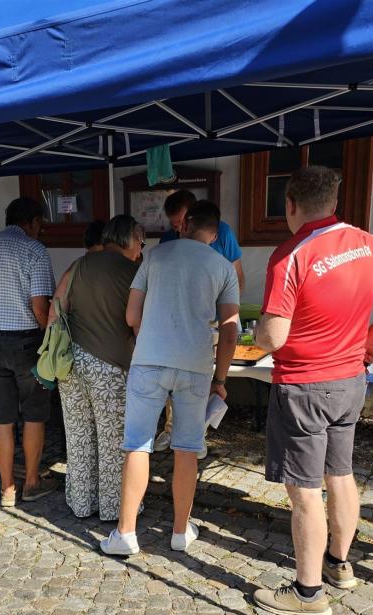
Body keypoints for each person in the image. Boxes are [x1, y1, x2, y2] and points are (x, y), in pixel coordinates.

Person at [252, 166, 373, 615]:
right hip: (350, 381)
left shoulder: (290, 255)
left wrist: (257, 328)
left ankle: (307, 594)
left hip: (304, 385)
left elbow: (273, 337)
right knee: (340, 474)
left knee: (304, 491)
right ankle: (340, 565)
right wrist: (369, 338)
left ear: (290, 205)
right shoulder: (369, 243)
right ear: (334, 202)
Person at [101, 200, 240, 556]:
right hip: (195, 364)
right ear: (217, 229)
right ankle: (180, 531)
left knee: (137, 444)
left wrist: (153, 337)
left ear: (185, 223)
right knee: (187, 448)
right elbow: (229, 331)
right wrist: (220, 378)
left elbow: (132, 315)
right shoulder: (223, 268)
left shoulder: (155, 258)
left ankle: (125, 533)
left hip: (149, 360)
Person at [0, 197, 57, 507]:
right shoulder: (34, 249)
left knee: (1, 416)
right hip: (27, 342)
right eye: (40, 225)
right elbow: (40, 306)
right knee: (33, 413)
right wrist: (52, 340)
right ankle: (31, 481)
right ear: (32, 222)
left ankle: (7, 488)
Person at [51, 215, 144, 521]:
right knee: (113, 439)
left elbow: (56, 308)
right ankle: (113, 508)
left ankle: (81, 503)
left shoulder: (79, 265)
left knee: (78, 436)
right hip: (112, 366)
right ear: (129, 239)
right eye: (140, 241)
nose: (140, 248)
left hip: (72, 364)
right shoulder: (135, 272)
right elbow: (137, 321)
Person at [153, 190, 244, 455]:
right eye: (174, 225)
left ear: (194, 218)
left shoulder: (222, 233)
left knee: (204, 378)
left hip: (215, 320)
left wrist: (228, 309)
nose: (178, 229)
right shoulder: (168, 241)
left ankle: (197, 432)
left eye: (181, 223)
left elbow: (237, 275)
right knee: (174, 380)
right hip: (178, 324)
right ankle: (170, 429)